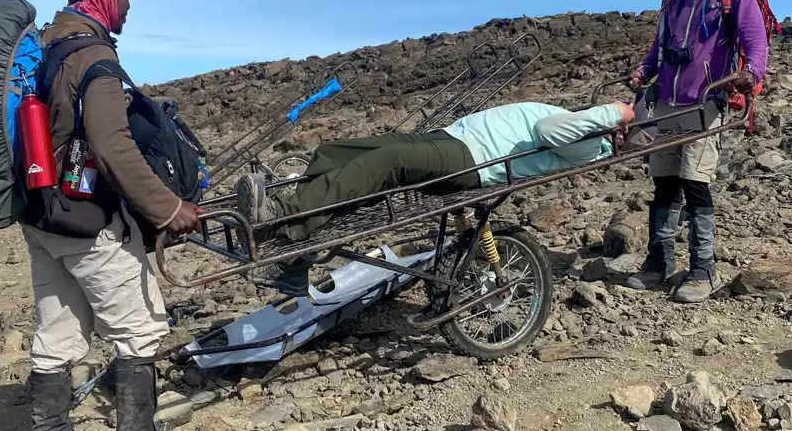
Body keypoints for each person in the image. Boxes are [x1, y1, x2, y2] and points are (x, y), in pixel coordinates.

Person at [20, 0, 206, 431]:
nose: (129, 2)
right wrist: (168, 209)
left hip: (44, 216)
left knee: (56, 337)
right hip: (89, 223)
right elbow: (111, 144)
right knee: (140, 331)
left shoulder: (48, 45)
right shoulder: (93, 58)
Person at [234, 100, 640, 293]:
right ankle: (297, 257)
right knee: (340, 151)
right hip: (453, 138)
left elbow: (550, 132)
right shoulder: (580, 125)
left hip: (472, 159)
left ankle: (280, 217)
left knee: (387, 161)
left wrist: (616, 114)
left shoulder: (594, 142)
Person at [627, 0, 769, 303]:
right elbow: (660, 45)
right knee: (664, 183)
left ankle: (703, 269)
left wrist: (751, 73)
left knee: (695, 184)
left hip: (705, 102)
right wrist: (644, 71)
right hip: (667, 103)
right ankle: (658, 263)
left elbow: (755, 41)